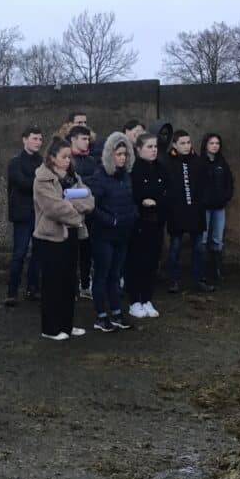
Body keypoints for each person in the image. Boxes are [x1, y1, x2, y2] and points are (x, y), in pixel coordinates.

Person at [32, 137, 95, 341]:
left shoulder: (72, 177)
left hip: (72, 235)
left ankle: (66, 325)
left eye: (70, 156)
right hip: (50, 238)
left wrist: (70, 201)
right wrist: (76, 210)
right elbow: (54, 208)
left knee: (69, 282)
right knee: (52, 284)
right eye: (64, 156)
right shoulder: (43, 179)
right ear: (52, 157)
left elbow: (89, 198)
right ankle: (50, 328)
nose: (68, 160)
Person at [87, 132, 137, 332]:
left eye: (125, 154)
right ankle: (101, 316)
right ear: (110, 155)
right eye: (118, 154)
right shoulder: (99, 177)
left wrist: (131, 216)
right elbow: (92, 206)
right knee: (102, 274)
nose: (122, 158)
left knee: (115, 275)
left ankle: (116, 313)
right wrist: (111, 220)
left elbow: (129, 200)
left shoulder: (126, 177)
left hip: (122, 234)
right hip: (104, 235)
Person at [164, 129, 212, 293]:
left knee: (199, 247)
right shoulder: (168, 163)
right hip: (176, 213)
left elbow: (206, 184)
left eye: (188, 142)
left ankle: (199, 279)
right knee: (175, 246)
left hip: (196, 212)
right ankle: (174, 280)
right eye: (182, 143)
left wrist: (202, 202)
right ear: (175, 145)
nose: (186, 146)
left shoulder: (198, 162)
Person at [126, 132, 168, 319]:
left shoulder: (160, 168)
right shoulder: (135, 170)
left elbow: (167, 192)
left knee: (152, 261)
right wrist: (145, 200)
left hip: (157, 221)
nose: (153, 150)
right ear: (139, 149)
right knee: (137, 262)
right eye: (149, 147)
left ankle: (147, 298)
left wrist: (156, 200)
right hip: (139, 223)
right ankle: (135, 300)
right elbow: (138, 195)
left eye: (155, 147)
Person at [5, 126, 44, 305]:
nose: (38, 142)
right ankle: (11, 292)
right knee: (19, 254)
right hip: (22, 215)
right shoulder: (15, 162)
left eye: (40, 139)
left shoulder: (42, 161)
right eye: (34, 138)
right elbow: (21, 183)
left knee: (37, 254)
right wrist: (38, 182)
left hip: (39, 213)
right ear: (24, 139)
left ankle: (32, 289)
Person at [199, 132, 234, 285]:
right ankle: (202, 271)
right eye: (212, 143)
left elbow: (229, 182)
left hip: (219, 207)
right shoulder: (200, 163)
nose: (214, 146)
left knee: (217, 239)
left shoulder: (222, 163)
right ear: (206, 145)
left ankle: (216, 270)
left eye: (217, 143)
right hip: (205, 208)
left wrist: (226, 197)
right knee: (203, 239)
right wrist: (202, 200)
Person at [68, 125, 98, 299]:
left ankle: (85, 285)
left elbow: (94, 184)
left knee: (87, 250)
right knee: (72, 252)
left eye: (88, 139)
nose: (87, 142)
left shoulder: (92, 161)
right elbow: (69, 188)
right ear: (73, 139)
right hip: (72, 214)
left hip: (90, 212)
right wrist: (85, 189)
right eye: (83, 138)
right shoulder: (67, 159)